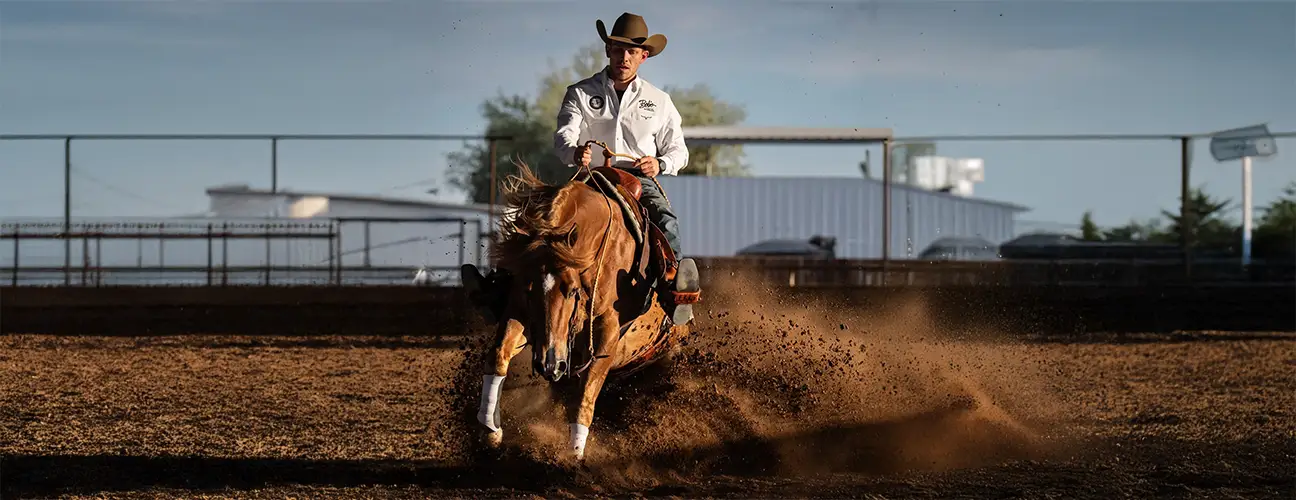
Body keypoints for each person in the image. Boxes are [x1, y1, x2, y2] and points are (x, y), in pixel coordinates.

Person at [462, 12, 691, 322]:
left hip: (636, 178)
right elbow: (564, 135)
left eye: (632, 51)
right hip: (589, 176)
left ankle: (673, 289)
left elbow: (679, 149)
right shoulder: (581, 92)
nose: (624, 57)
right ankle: (499, 286)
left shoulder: (660, 101)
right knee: (535, 217)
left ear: (643, 56)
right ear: (608, 49)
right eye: (618, 49)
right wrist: (575, 151)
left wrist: (660, 162)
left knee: (665, 220)